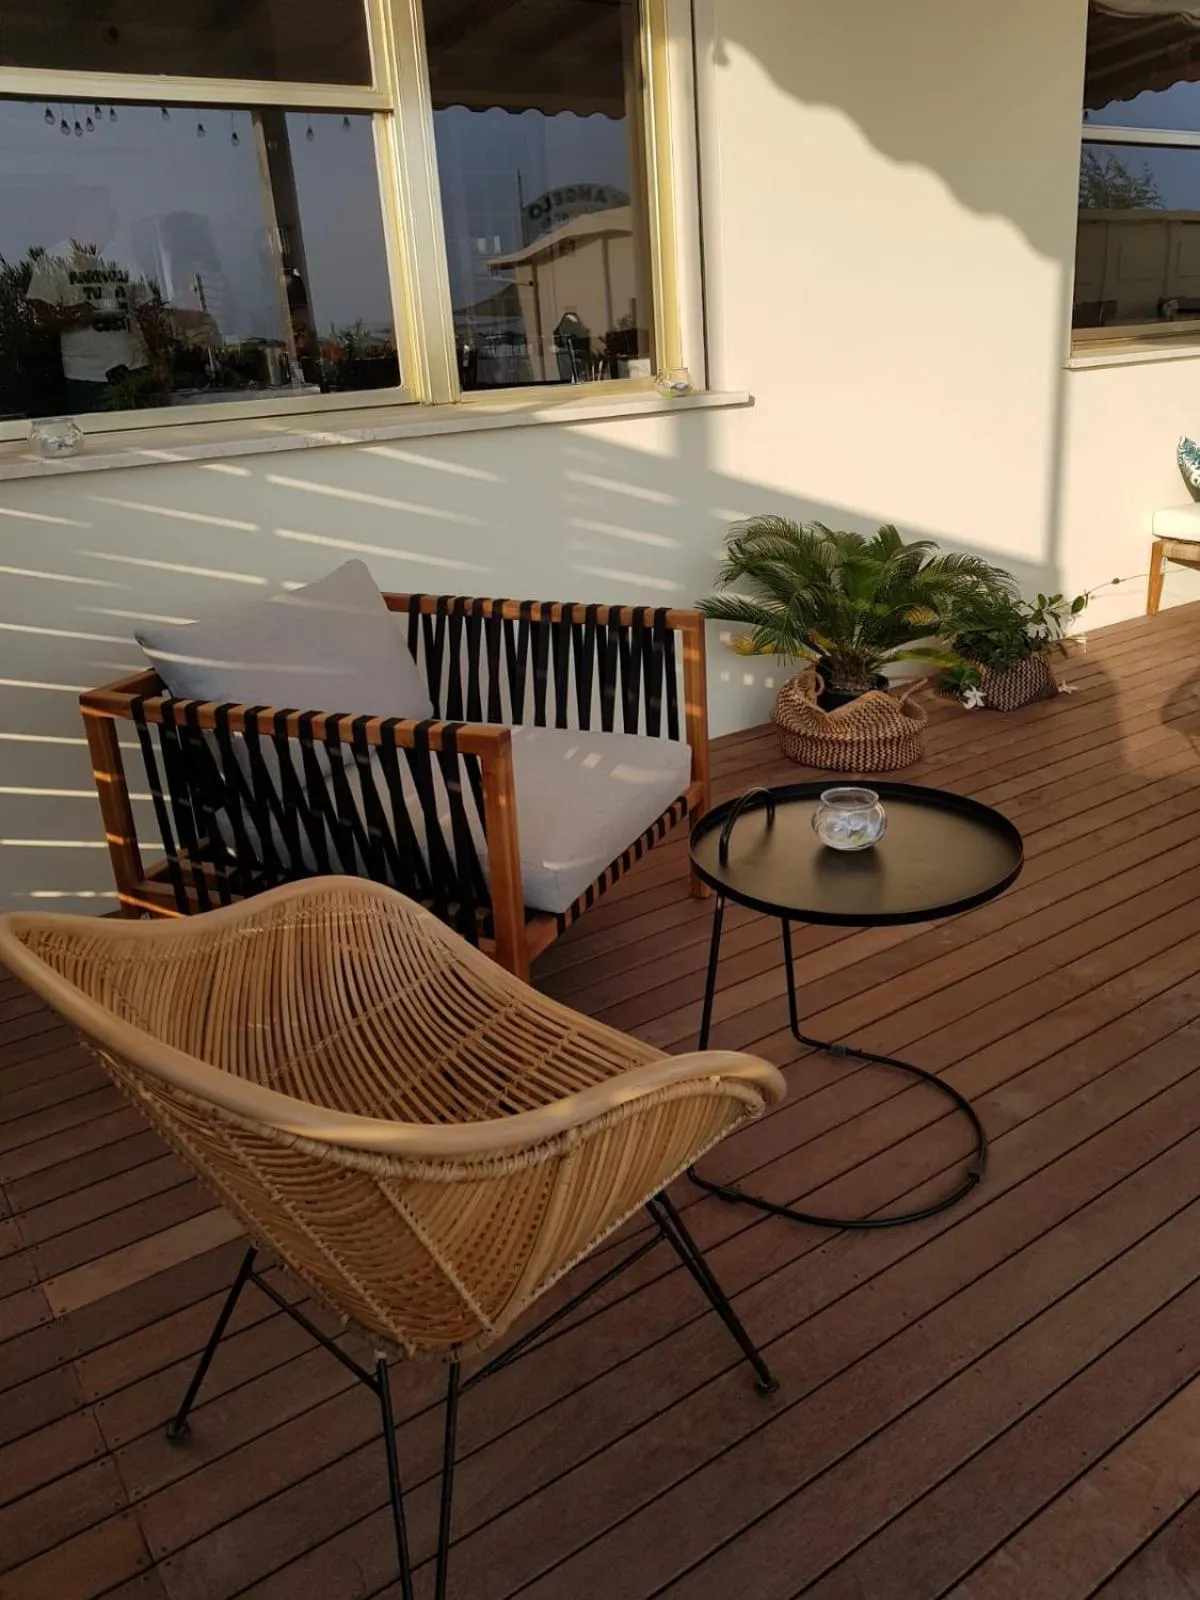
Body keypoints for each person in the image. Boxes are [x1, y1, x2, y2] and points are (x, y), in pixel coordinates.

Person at [26, 238, 155, 413]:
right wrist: (75, 314)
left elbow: (147, 311)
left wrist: (159, 360)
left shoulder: (122, 255)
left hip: (138, 369)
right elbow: (37, 317)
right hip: (89, 379)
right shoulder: (54, 258)